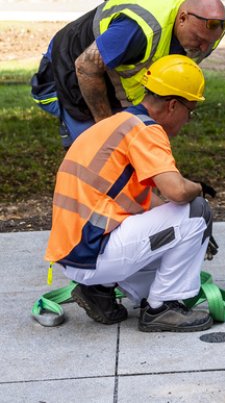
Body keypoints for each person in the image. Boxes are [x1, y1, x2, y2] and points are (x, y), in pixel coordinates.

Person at [44, 55, 214, 332]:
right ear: (173, 105)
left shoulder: (116, 124)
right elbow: (178, 191)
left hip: (77, 252)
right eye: (189, 111)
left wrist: (192, 236)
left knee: (181, 230)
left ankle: (98, 291)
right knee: (197, 211)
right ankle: (164, 307)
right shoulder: (146, 130)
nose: (187, 120)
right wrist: (199, 189)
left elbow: (150, 204)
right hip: (94, 252)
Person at [31, 0, 225, 148]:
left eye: (209, 43)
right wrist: (106, 127)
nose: (204, 48)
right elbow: (85, 67)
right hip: (69, 74)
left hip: (113, 84)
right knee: (101, 153)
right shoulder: (138, 30)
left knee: (133, 151)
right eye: (198, 39)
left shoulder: (209, 31)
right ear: (182, 19)